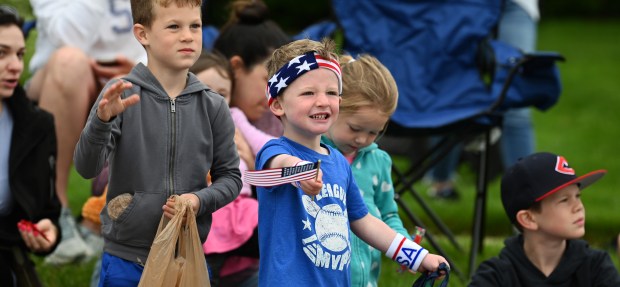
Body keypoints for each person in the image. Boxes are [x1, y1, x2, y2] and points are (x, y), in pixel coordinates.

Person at [255, 38, 448, 286]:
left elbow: (364, 221)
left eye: (332, 93)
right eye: (308, 93)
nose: (323, 101)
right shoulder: (275, 151)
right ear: (278, 104)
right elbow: (278, 164)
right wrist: (299, 171)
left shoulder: (338, 162)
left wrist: (415, 256)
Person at [73, 0, 242, 285]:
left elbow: (231, 178)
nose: (188, 35)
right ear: (143, 34)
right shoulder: (120, 94)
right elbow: (86, 167)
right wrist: (101, 122)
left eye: (195, 26)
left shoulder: (214, 105)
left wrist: (198, 200)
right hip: (126, 260)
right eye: (174, 26)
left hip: (186, 257)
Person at [26, 0, 148, 264]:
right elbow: (67, 37)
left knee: (160, 79)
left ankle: (107, 221)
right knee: (70, 62)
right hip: (59, 82)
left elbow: (173, 31)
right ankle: (54, 211)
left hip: (130, 76)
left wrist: (140, 68)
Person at [427, 0, 541, 200]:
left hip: (514, 5)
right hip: (456, 6)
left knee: (516, 103)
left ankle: (528, 204)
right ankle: (441, 180)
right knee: (451, 97)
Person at [321, 54, 413, 287]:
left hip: (365, 280)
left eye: (374, 132)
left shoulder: (378, 161)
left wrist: (406, 249)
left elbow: (388, 214)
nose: (363, 139)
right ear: (334, 107)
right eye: (355, 128)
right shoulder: (311, 154)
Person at [469, 152, 620, 286]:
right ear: (528, 219)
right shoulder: (496, 276)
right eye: (564, 200)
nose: (578, 207)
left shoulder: (595, 267)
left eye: (577, 196)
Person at [190, 51, 268, 287]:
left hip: (243, 205)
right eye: (203, 92)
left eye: (222, 94)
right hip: (208, 205)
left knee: (272, 229)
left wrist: (287, 155)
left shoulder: (235, 118)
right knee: (204, 264)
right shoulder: (183, 122)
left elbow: (263, 143)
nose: (214, 100)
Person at [0, 6, 61, 286]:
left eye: (20, 55)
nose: (15, 65)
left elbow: (47, 210)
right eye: (2, 54)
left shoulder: (37, 126)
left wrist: (48, 231)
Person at [212, 0, 290, 138]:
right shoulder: (205, 121)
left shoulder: (280, 120)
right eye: (269, 80)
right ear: (236, 67)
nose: (277, 94)